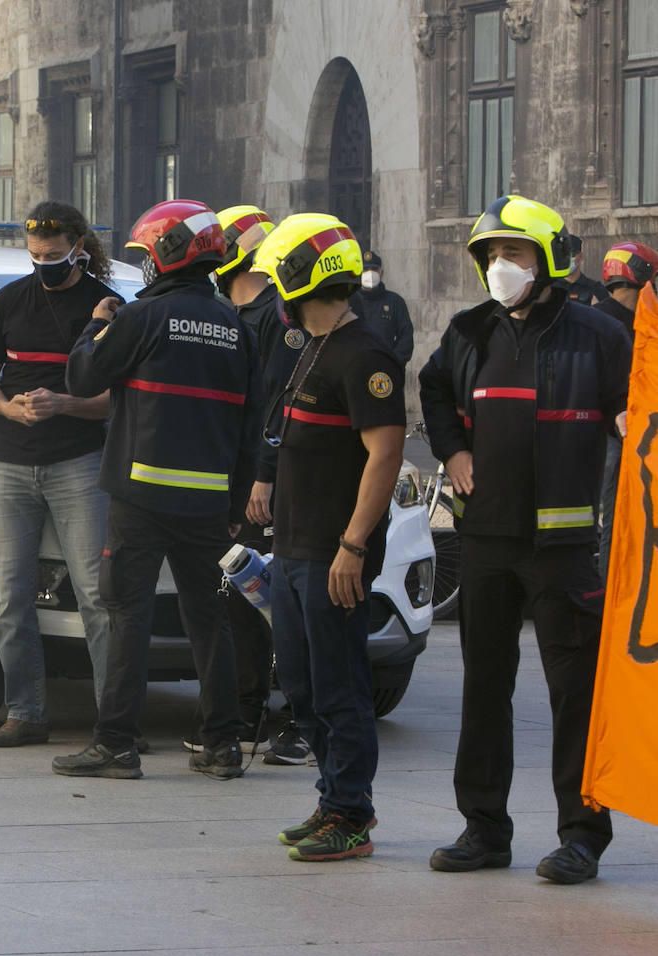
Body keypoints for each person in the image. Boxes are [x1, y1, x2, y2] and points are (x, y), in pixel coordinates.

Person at [419, 194, 630, 884]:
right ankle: (484, 829)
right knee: (484, 686)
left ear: (548, 261)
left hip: (565, 549)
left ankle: (582, 836)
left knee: (574, 694)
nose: (500, 266)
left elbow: (635, 416)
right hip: (485, 539)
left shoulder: (598, 336)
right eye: (491, 255)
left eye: (513, 254)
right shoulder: (468, 331)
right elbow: (432, 387)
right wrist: (451, 449)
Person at [51, 199, 261, 780]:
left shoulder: (143, 318)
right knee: (209, 621)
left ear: (169, 254)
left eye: (146, 254)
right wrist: (237, 502)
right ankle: (222, 745)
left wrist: (97, 324)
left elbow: (85, 375)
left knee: (127, 617)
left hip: (140, 500)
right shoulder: (236, 330)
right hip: (209, 504)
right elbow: (250, 429)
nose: (143, 265)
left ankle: (116, 744)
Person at [250, 214, 405, 861]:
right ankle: (332, 798)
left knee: (339, 686)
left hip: (331, 553)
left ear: (300, 277)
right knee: (304, 684)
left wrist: (353, 545)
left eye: (277, 276)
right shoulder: (310, 345)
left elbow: (386, 453)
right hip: (293, 548)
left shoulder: (364, 354)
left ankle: (352, 814)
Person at [0, 201, 121, 747]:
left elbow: (116, 400)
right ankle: (25, 713)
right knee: (11, 595)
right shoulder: (9, 299)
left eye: (54, 256)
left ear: (79, 247)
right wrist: (8, 408)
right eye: (34, 256)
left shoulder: (104, 307)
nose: (43, 264)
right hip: (9, 459)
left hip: (78, 460)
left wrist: (63, 404)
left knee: (97, 597)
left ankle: (114, 721)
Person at [211, 204, 308, 764]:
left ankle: (298, 720)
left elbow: (280, 406)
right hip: (233, 481)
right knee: (240, 602)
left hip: (272, 484)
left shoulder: (280, 318)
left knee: (282, 604)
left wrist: (262, 476)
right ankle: (246, 710)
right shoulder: (226, 315)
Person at [596, 241, 657, 572]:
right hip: (617, 438)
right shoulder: (620, 325)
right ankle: (609, 595)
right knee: (616, 520)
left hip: (625, 434)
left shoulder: (599, 318)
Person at [355, 251, 415, 368]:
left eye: (374, 270)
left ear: (381, 273)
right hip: (356, 368)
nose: (370, 274)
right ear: (359, 273)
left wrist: (393, 362)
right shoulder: (350, 301)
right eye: (366, 270)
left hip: (386, 369)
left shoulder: (395, 302)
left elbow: (406, 336)